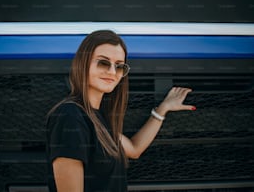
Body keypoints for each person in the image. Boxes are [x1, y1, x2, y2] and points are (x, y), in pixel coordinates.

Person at [46, 30, 196, 192]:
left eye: (119, 66)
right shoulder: (70, 116)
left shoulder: (98, 117)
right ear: (83, 63)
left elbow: (134, 149)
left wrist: (163, 108)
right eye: (103, 63)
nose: (112, 72)